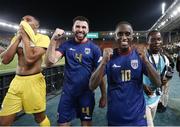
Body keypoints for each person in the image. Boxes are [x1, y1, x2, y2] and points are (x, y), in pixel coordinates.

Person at [89, 21, 161, 126]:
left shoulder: (140, 56)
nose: (124, 37)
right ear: (115, 36)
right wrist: (103, 62)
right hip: (115, 118)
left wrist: (145, 60)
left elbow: (158, 82)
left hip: (138, 118)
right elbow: (92, 85)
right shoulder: (109, 57)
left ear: (132, 37)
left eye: (127, 34)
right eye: (120, 34)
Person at [45, 16, 106, 126]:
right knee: (62, 124)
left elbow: (100, 75)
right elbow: (49, 62)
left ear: (88, 30)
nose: (80, 29)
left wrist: (103, 96)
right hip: (68, 94)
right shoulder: (66, 45)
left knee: (86, 124)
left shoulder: (94, 49)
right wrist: (53, 39)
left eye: (84, 27)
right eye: (77, 26)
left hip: (86, 94)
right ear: (73, 28)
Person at [0, 15, 50, 126]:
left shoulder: (43, 38)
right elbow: (5, 60)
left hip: (34, 82)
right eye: (22, 19)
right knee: (3, 121)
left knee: (39, 118)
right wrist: (18, 38)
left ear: (36, 25)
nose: (24, 21)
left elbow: (30, 59)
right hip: (16, 82)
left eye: (28, 20)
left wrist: (24, 37)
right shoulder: (17, 38)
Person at [143, 30, 171, 126]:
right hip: (142, 100)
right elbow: (132, 77)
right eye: (153, 39)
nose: (156, 42)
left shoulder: (164, 58)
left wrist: (165, 80)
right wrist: (142, 86)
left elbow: (168, 73)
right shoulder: (142, 57)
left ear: (162, 41)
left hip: (155, 98)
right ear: (148, 41)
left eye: (158, 39)